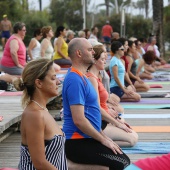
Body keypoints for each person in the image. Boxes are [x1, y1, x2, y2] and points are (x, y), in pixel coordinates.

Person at [62, 38, 130, 169]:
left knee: (124, 161)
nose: (93, 52)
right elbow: (79, 120)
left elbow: (91, 115)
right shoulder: (75, 80)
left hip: (88, 137)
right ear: (79, 54)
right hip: (77, 141)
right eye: (89, 49)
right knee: (122, 164)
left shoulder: (82, 77)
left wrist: (104, 136)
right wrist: (102, 139)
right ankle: (68, 165)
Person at [13, 58, 68, 170]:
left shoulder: (42, 110)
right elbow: (40, 163)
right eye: (53, 78)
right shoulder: (34, 115)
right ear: (39, 83)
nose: (58, 81)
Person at [86, 44, 138, 147]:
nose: (105, 62)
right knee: (132, 140)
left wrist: (110, 110)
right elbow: (95, 107)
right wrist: (116, 122)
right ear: (95, 60)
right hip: (99, 122)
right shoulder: (91, 79)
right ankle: (96, 142)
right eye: (102, 59)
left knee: (129, 129)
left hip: (104, 118)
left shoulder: (96, 77)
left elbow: (99, 102)